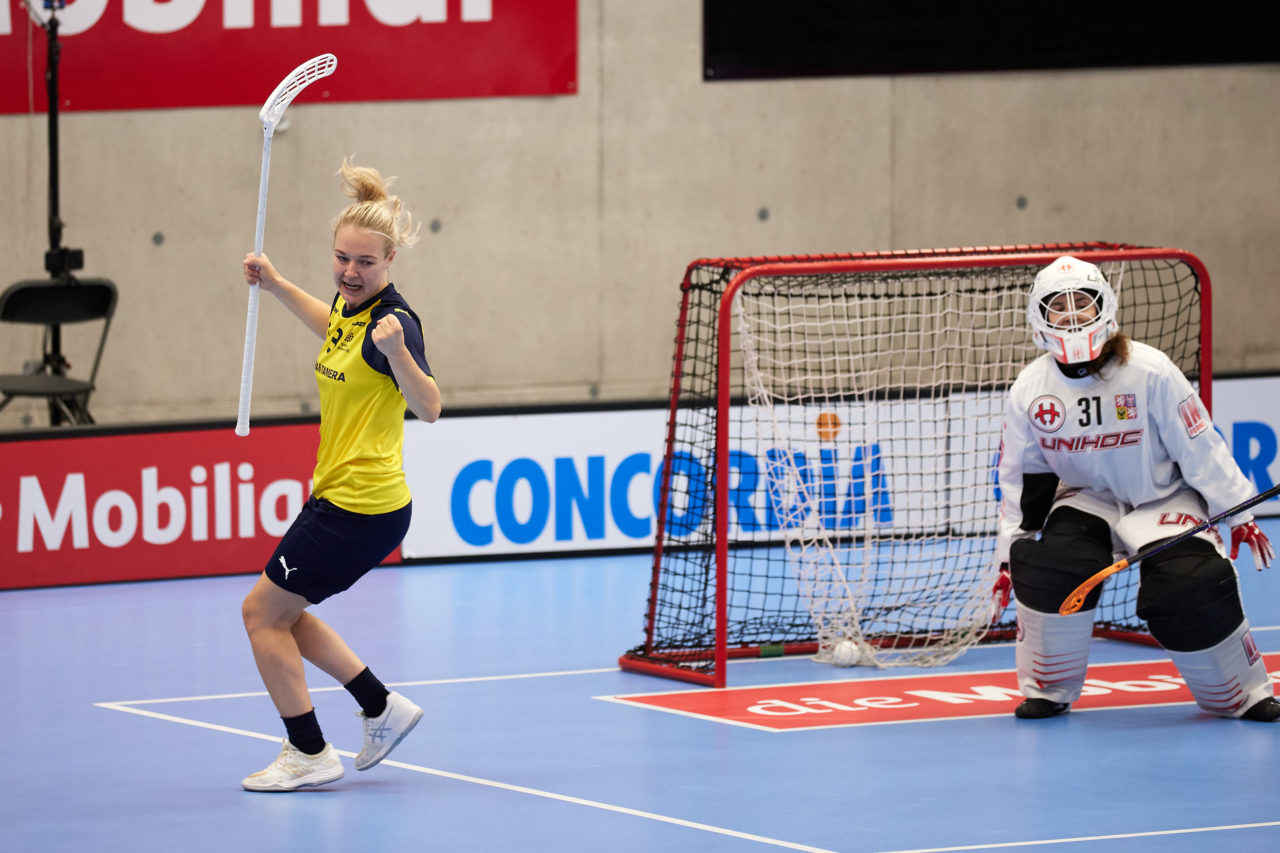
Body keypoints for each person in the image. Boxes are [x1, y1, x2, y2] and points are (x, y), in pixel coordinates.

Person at [993, 255, 1276, 722]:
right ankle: (1049, 688)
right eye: (1056, 308)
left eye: (1081, 304)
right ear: (1038, 318)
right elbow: (1026, 478)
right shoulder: (1030, 388)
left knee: (1191, 586)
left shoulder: (1151, 371)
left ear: (1104, 308)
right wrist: (1011, 552)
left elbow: (1201, 448)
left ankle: (1241, 694)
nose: (1070, 316)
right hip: (1087, 499)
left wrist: (1240, 513)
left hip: (1162, 496)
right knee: (1046, 568)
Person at [238, 158, 442, 791]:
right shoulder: (350, 309)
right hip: (338, 497)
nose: (351, 273)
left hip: (363, 505)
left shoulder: (394, 323)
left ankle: (309, 752)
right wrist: (275, 284)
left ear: (389, 264)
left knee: (259, 613)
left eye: (365, 264)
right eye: (342, 259)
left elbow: (430, 406)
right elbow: (333, 328)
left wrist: (400, 355)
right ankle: (381, 706)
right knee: (286, 612)